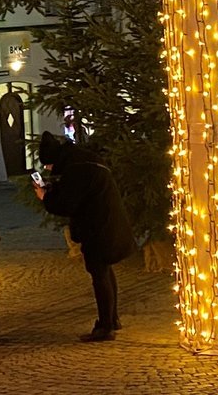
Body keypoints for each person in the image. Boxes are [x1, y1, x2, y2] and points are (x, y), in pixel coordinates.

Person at [36, 132, 135, 341]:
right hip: (108, 223)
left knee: (99, 274)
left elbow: (67, 204)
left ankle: (105, 327)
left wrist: (45, 196)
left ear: (54, 159)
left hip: (97, 228)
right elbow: (76, 193)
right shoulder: (84, 161)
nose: (47, 169)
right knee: (105, 271)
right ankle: (112, 319)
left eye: (47, 164)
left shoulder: (76, 170)